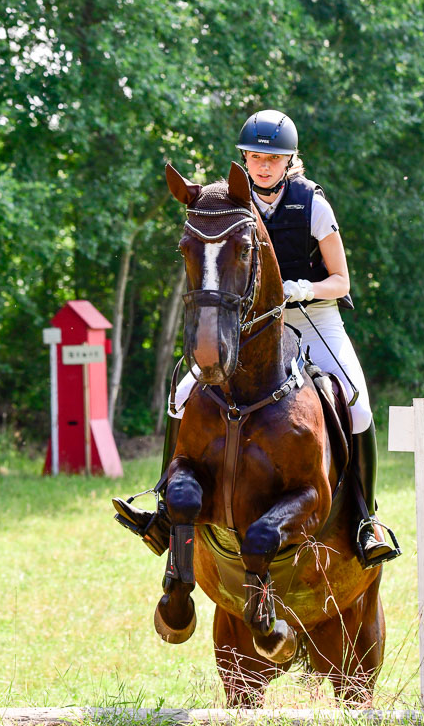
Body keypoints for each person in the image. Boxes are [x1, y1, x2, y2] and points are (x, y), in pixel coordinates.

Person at [113, 109, 400, 569]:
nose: (263, 165)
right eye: (255, 156)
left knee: (358, 404)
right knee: (183, 390)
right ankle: (164, 505)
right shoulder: (230, 201)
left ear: (290, 161)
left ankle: (365, 521)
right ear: (244, 157)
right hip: (252, 328)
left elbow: (342, 281)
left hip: (313, 319)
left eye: (274, 158)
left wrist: (301, 290)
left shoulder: (312, 204)